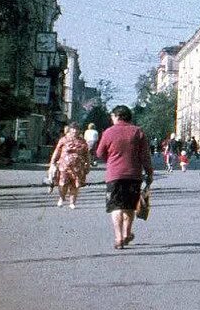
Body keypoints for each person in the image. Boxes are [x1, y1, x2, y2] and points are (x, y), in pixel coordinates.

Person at [96, 105, 154, 250]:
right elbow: (145, 156)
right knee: (129, 206)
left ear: (116, 116)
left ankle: (118, 237)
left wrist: (111, 159)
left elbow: (99, 153)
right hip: (133, 175)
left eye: (112, 116)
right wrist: (149, 173)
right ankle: (127, 234)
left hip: (114, 176)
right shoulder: (137, 132)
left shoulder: (108, 132)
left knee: (116, 207)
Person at [49, 123, 91, 209]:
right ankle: (61, 198)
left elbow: (87, 154)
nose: (75, 131)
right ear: (70, 130)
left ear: (79, 131)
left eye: (77, 129)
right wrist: (52, 162)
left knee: (75, 185)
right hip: (64, 166)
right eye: (73, 129)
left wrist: (88, 164)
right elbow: (57, 151)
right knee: (63, 184)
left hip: (78, 167)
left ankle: (72, 202)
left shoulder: (82, 141)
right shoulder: (64, 140)